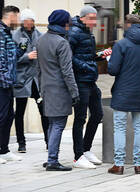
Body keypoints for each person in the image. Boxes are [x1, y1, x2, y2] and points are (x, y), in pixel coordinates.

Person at [107, 14, 140, 175]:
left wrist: (109, 59)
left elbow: (113, 70)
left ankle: (119, 165)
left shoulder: (121, 45)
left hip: (122, 92)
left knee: (119, 128)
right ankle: (138, 165)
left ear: (128, 25)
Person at [37, 9, 79, 171]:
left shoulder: (41, 40)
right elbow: (67, 71)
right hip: (60, 90)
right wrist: (74, 92)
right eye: (68, 23)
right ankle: (53, 160)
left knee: (52, 124)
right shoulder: (62, 43)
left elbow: (38, 69)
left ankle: (51, 158)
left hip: (47, 89)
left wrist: (41, 89)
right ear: (64, 24)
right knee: (58, 125)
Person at [69, 5, 110, 169]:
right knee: (80, 118)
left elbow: (89, 56)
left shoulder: (87, 33)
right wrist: (86, 67)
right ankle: (78, 156)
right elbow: (68, 58)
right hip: (80, 81)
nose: (94, 22)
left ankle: (86, 149)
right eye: (92, 18)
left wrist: (101, 54)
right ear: (83, 18)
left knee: (98, 113)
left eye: (95, 18)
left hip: (90, 80)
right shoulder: (73, 32)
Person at [12, 9, 48, 153]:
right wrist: (27, 56)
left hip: (36, 81)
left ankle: (48, 141)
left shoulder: (40, 36)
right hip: (21, 80)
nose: (29, 23)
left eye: (31, 20)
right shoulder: (14, 36)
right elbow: (11, 59)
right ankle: (21, 142)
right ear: (22, 21)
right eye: (26, 20)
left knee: (43, 110)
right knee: (19, 112)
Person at [0, 5, 23, 164]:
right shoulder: (1, 33)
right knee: (1, 117)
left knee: (9, 116)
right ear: (12, 15)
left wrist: (22, 48)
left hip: (8, 83)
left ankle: (4, 150)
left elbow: (13, 56)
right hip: (2, 83)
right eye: (18, 17)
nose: (19, 21)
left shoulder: (8, 33)